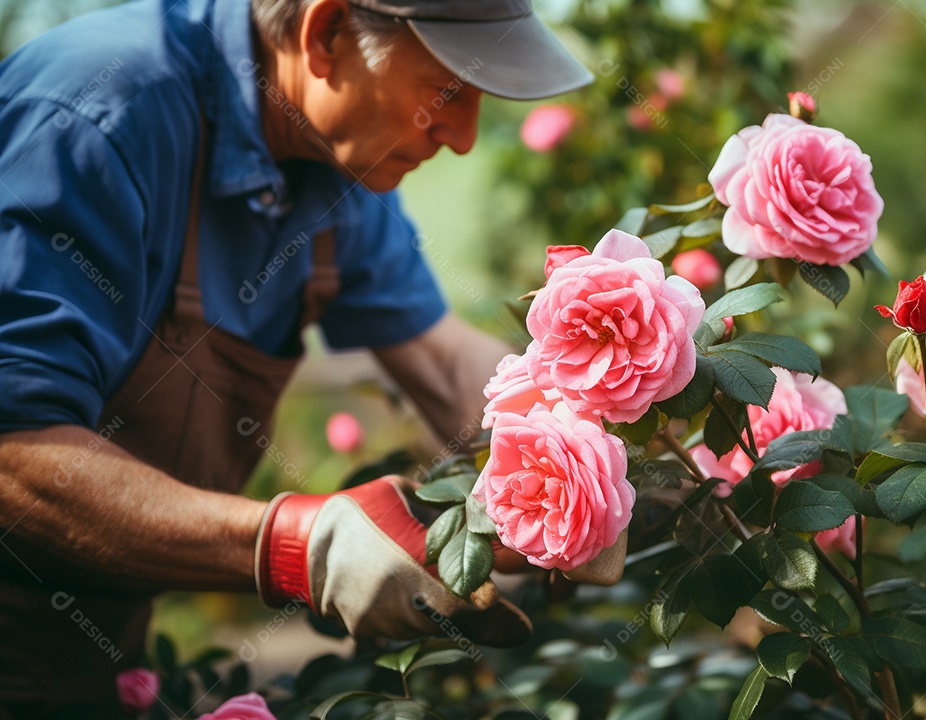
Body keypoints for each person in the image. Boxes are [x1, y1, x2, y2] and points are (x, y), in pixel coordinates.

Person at [0, 0, 593, 716]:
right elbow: (13, 452)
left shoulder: (335, 163)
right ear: (326, 33)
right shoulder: (97, 113)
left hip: (92, 645)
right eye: (447, 91)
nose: (463, 137)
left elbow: (441, 360)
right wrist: (296, 543)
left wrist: (583, 455)